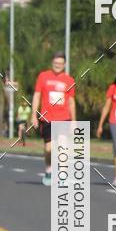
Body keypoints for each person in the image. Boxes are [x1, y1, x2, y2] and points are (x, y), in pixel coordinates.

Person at [31, 51, 76, 186]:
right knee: (49, 148)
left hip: (63, 118)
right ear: (52, 62)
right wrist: (33, 115)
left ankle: (62, 175)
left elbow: (71, 102)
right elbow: (37, 96)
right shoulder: (43, 76)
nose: (58, 65)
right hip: (47, 118)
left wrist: (74, 121)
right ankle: (49, 169)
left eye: (61, 63)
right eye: (56, 63)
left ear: (64, 64)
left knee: (63, 146)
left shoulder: (69, 80)